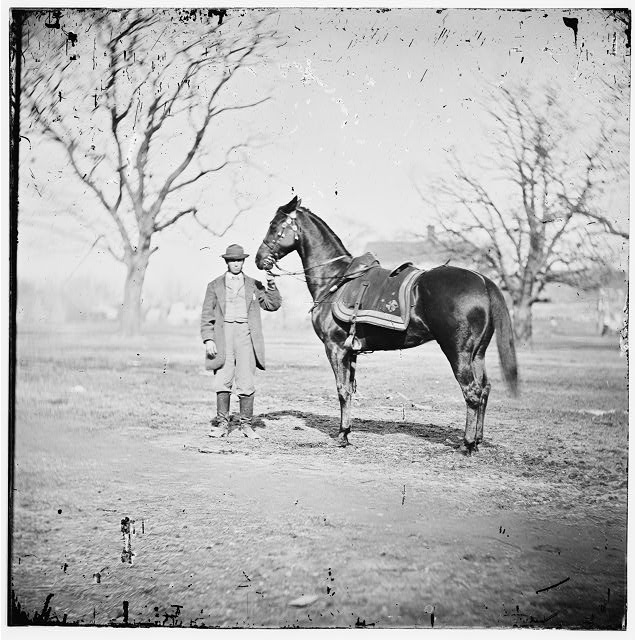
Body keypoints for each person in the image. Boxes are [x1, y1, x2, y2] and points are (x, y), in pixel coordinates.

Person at [200, 243, 282, 438]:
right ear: (226, 262)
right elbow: (206, 315)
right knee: (223, 379)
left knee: (246, 380)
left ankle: (246, 425)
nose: (236, 264)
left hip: (246, 335)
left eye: (239, 260)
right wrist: (208, 339)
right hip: (223, 336)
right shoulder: (214, 285)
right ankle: (222, 425)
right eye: (232, 261)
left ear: (244, 261)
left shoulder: (253, 284)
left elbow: (272, 304)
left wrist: (270, 283)